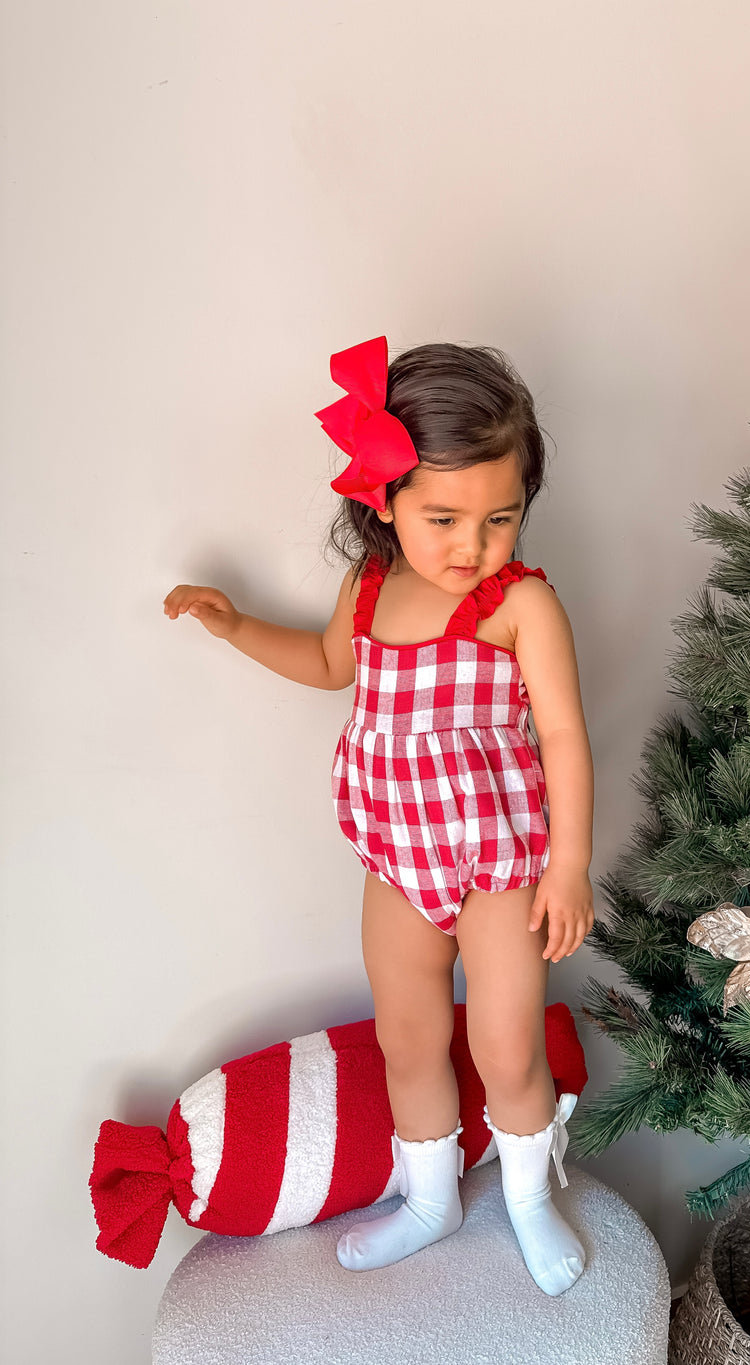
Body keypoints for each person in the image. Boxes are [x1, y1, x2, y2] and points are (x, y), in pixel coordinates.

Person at [163, 335, 594, 1296]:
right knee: (408, 1036)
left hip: (498, 864)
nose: (471, 545)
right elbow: (326, 668)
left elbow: (562, 735)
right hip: (397, 860)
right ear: (383, 499)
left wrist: (569, 865)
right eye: (443, 517)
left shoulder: (518, 604)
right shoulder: (367, 592)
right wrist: (235, 628)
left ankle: (529, 1195)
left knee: (504, 1041)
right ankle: (431, 1194)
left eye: (500, 517)